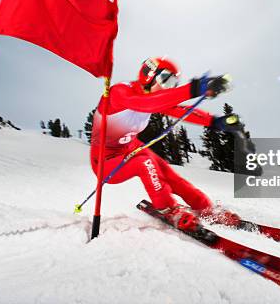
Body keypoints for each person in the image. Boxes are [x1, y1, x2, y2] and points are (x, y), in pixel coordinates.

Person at [90, 57, 245, 232]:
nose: (169, 87)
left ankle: (205, 208)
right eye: (167, 80)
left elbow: (177, 109)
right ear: (149, 75)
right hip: (105, 160)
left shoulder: (152, 96)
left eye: (173, 83)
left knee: (166, 171)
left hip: (132, 147)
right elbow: (144, 104)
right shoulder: (120, 92)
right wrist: (195, 88)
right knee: (145, 164)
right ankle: (169, 210)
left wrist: (214, 121)